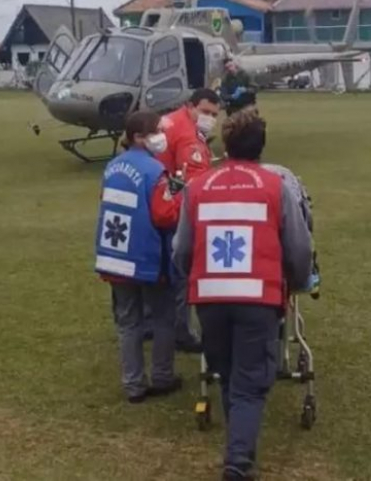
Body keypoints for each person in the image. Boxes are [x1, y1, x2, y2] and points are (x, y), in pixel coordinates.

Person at [173, 110, 313, 480]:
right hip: (258, 299)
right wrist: (298, 280)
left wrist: (194, 278)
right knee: (250, 384)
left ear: (226, 143)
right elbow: (299, 248)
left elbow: (182, 249)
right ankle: (238, 464)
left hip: (209, 298)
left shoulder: (198, 186)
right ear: (261, 146)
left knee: (228, 374)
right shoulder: (275, 186)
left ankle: (239, 447)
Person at [95, 111, 185, 404]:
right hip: (147, 257)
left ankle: (132, 384)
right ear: (138, 137)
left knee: (128, 322)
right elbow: (164, 216)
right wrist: (179, 198)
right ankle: (162, 376)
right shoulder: (154, 171)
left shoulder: (111, 167)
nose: (161, 136)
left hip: (115, 254)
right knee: (162, 318)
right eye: (156, 131)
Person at [154, 88, 223, 352]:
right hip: (177, 208)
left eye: (214, 114)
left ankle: (154, 323)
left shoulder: (171, 120)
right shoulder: (187, 135)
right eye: (205, 112)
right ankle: (181, 331)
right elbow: (195, 184)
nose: (209, 118)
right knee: (182, 274)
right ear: (191, 106)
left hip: (161, 201)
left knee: (161, 272)